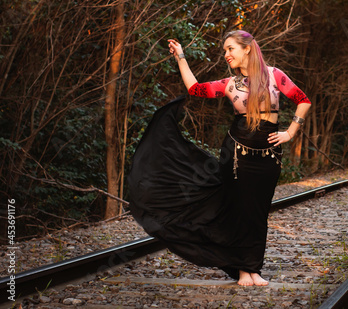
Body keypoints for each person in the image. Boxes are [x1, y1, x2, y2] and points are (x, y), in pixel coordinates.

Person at [128, 30, 311, 287]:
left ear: (247, 48)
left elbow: (303, 101)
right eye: (224, 50)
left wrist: (290, 132)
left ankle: (253, 268)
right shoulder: (229, 84)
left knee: (258, 211)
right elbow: (195, 88)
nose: (226, 55)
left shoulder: (275, 75)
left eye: (230, 49)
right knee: (238, 209)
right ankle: (244, 271)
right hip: (236, 155)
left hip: (269, 155)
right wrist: (181, 56)